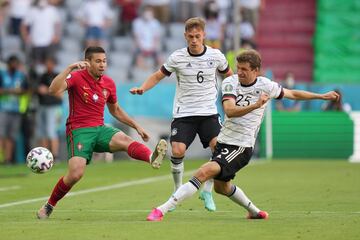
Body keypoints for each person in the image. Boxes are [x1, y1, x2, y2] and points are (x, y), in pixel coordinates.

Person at [146, 49, 340, 221]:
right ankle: (255, 212)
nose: (239, 72)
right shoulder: (230, 82)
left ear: (256, 70)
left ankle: (162, 209)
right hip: (225, 141)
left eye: (244, 69)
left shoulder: (266, 85)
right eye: (238, 68)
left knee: (204, 172)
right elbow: (229, 110)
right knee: (222, 188)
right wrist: (255, 105)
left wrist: (321, 96)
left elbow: (292, 94)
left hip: (241, 146)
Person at [36, 46, 167, 219]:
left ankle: (151, 157)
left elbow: (116, 110)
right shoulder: (76, 77)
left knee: (124, 138)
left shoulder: (109, 83)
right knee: (76, 173)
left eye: (104, 61)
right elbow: (53, 90)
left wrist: (137, 126)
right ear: (87, 62)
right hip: (79, 130)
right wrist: (69, 68)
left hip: (100, 128)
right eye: (98, 61)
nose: (102, 65)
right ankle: (49, 205)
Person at [130, 17, 233, 212]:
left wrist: (234, 95)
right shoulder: (177, 57)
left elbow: (230, 76)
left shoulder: (216, 56)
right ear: (185, 36)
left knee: (218, 149)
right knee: (177, 150)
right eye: (191, 36)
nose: (194, 40)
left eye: (198, 36)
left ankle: (208, 190)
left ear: (204, 35)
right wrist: (143, 88)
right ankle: (177, 190)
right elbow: (157, 75)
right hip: (184, 112)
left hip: (208, 112)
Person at [0, 55, 28, 165]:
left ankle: (7, 160)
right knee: (1, 135)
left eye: (16, 63)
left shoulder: (21, 75)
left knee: (11, 136)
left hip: (16, 109)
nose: (15, 65)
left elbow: (27, 90)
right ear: (8, 64)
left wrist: (20, 91)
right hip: (3, 109)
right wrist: (8, 91)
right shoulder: (2, 74)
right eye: (13, 63)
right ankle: (1, 158)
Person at [36, 57, 62, 160]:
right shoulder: (42, 76)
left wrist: (47, 90)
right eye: (47, 63)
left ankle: (55, 155)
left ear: (54, 64)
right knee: (42, 131)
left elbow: (59, 94)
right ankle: (44, 156)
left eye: (50, 63)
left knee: (51, 130)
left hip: (54, 107)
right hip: (42, 106)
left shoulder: (57, 76)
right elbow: (38, 90)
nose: (48, 65)